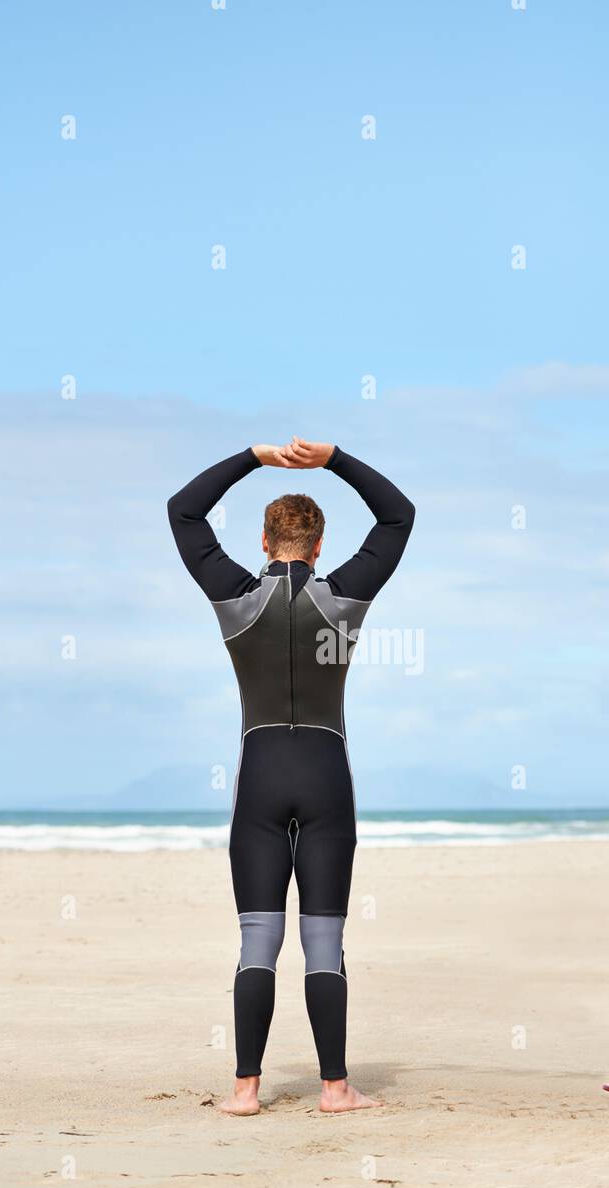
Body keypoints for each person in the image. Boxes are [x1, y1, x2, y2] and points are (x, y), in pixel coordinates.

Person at [167, 437, 415, 1114]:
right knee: (324, 940)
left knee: (258, 938)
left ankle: (246, 1090)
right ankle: (335, 1089)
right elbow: (398, 516)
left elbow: (183, 512)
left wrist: (254, 456)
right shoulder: (344, 597)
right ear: (319, 542)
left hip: (261, 774)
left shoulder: (235, 597)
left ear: (264, 538)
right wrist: (333, 458)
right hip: (326, 772)